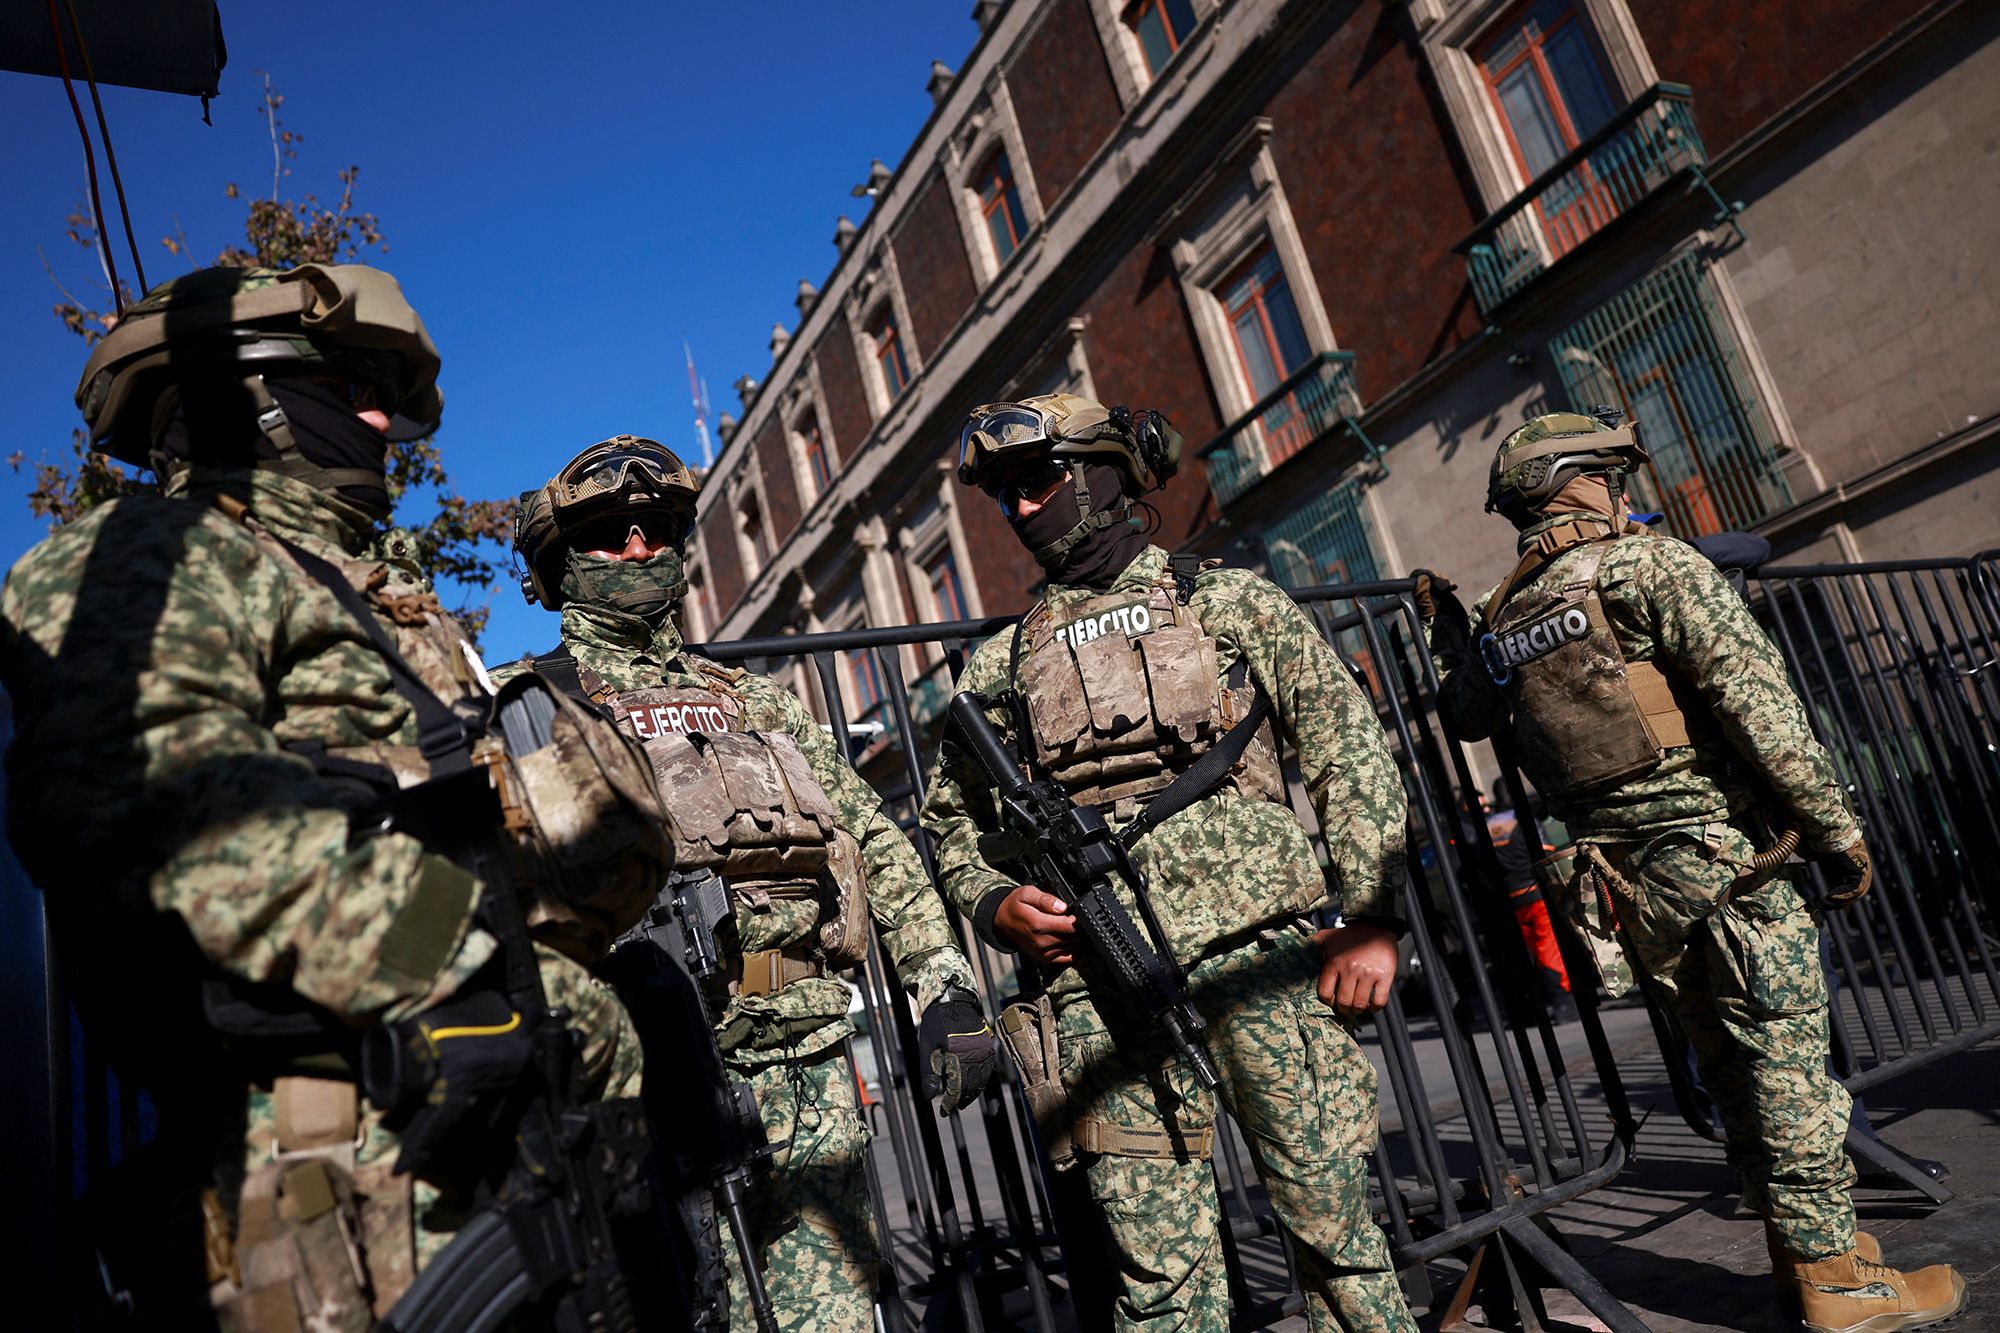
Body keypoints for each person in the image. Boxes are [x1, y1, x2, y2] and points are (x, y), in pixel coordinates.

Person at [0, 264, 664, 1327]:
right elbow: (147, 798)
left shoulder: (355, 583)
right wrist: (455, 969)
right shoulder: (155, 555)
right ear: (246, 392)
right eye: (350, 384)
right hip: (323, 1143)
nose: (379, 419)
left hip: (481, 1125)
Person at [1421, 410, 1965, 1333]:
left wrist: (1448, 637)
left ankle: (1804, 1251)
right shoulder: (1653, 566)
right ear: (1580, 480)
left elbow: (1466, 712)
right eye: (1611, 473)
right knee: (1789, 1069)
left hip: (1622, 883)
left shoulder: (1504, 613)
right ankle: (1838, 1283)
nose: (1624, 488)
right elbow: (1761, 707)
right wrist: (1836, 827)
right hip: (1725, 862)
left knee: (1729, 1066)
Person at [923, 393, 1416, 1331]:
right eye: (1005, 496)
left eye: (1040, 481)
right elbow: (950, 824)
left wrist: (1375, 916)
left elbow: (1348, 747)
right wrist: (995, 903)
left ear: (1107, 473)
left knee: (1337, 1236)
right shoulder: (995, 668)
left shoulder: (1228, 601)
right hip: (1099, 997)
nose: (1022, 510)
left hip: (1259, 967)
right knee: (1160, 1282)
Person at [507, 435, 997, 1332]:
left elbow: (873, 841)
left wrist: (943, 981)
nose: (639, 549)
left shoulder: (753, 700)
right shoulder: (531, 708)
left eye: (656, 528)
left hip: (811, 1070)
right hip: (661, 1093)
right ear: (556, 569)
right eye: (610, 535)